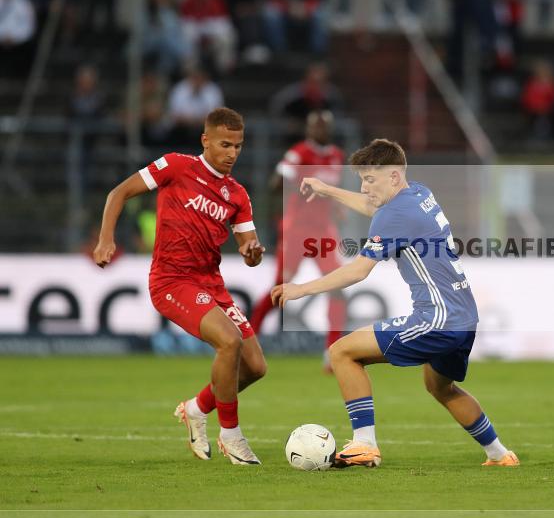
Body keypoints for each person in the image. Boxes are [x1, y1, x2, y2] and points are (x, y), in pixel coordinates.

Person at [271, 139, 518, 468]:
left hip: (438, 318)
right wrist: (328, 191)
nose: (364, 187)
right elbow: (375, 206)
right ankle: (500, 455)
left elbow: (358, 271)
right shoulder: (418, 193)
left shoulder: (395, 213)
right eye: (361, 180)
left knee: (342, 352)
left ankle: (364, 444)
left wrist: (302, 289)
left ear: (393, 177)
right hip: (463, 316)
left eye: (369, 180)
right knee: (441, 387)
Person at [93, 107, 267, 465]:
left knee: (255, 367)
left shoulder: (237, 195)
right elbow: (119, 193)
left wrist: (252, 252)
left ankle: (196, 408)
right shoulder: (176, 166)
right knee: (229, 341)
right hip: (172, 280)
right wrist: (105, 240)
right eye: (225, 144)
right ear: (205, 140)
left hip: (211, 284)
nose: (232, 153)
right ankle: (231, 435)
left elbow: (250, 251)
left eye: (238, 146)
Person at [248, 110, 347, 371]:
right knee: (281, 287)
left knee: (338, 286)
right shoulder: (299, 153)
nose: (317, 131)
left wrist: (337, 207)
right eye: (314, 126)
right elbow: (275, 183)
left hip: (322, 232)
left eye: (322, 126)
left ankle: (332, 351)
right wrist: (295, 183)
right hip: (296, 231)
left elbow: (332, 190)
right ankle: (247, 340)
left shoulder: (337, 156)